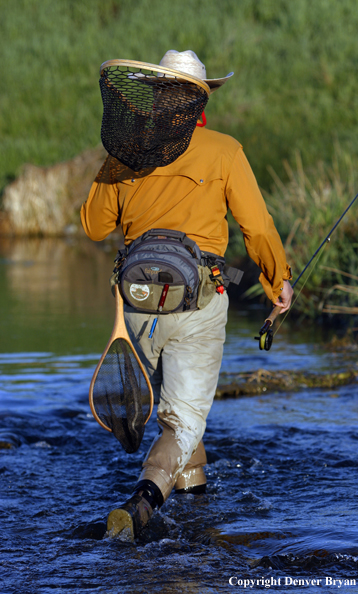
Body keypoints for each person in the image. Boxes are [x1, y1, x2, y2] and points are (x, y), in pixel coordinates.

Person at [80, 49, 293, 540]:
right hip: (198, 305)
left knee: (178, 416)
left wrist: (112, 167)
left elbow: (93, 227)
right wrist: (276, 281)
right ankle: (141, 504)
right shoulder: (224, 150)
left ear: (154, 99)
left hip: (134, 308)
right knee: (184, 422)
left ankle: (196, 502)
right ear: (202, 102)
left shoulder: (125, 153)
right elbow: (256, 227)